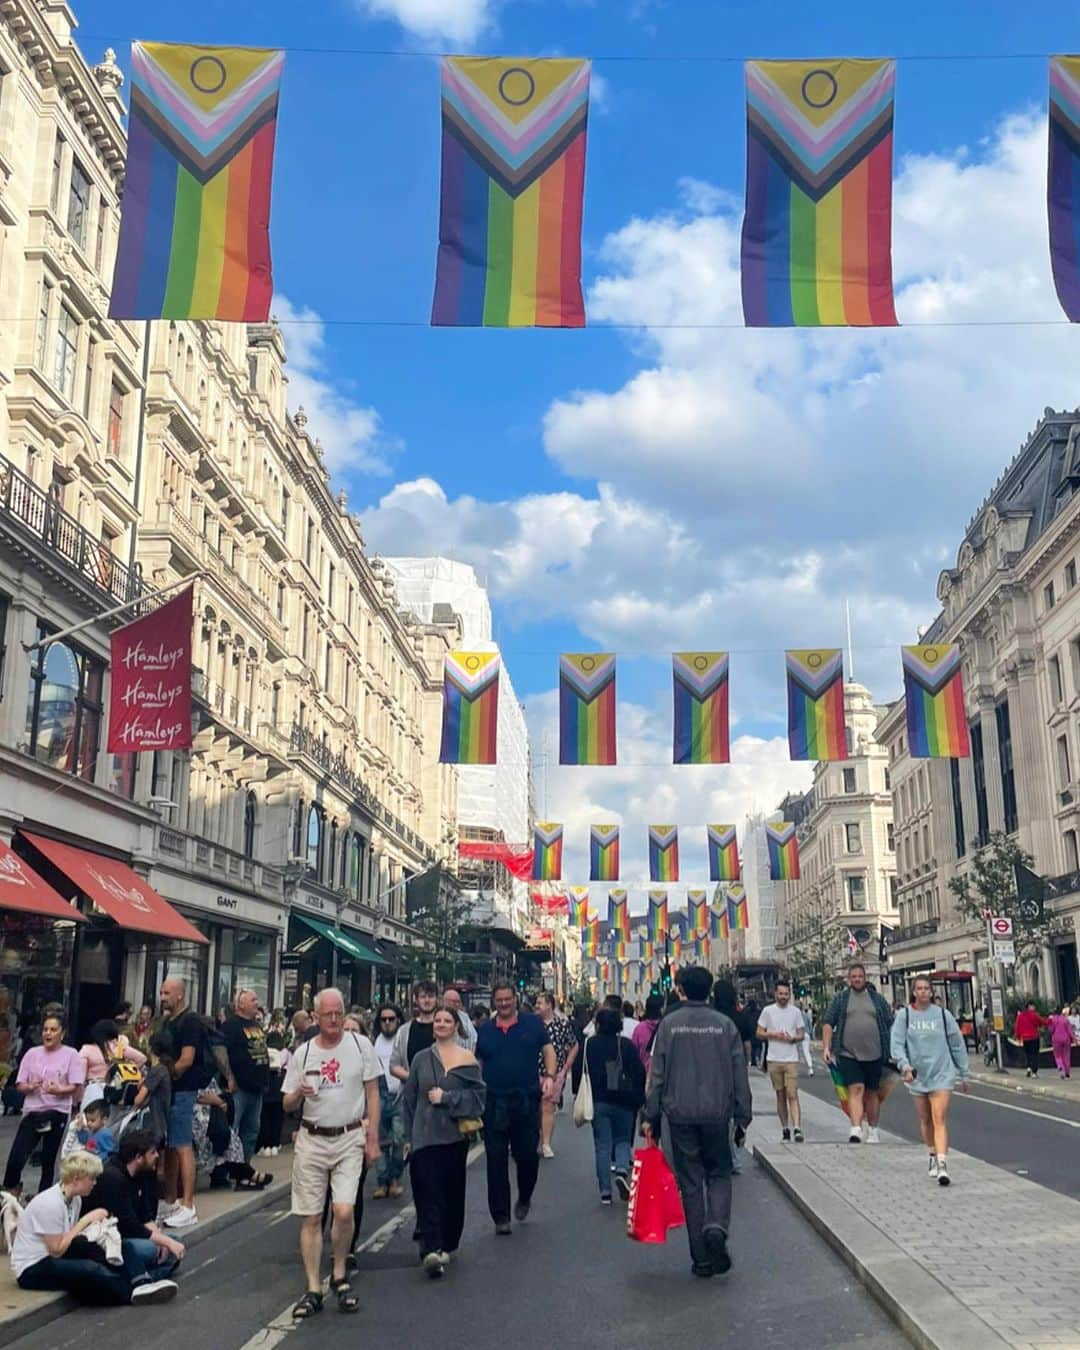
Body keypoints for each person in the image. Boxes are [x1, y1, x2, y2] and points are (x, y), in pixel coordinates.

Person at [643, 968, 751, 1279]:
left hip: (680, 1114)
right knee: (719, 1173)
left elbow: (657, 1075)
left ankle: (701, 1258)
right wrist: (742, 1116)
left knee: (690, 1183)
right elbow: (739, 1073)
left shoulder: (669, 1025)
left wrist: (650, 1114)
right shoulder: (725, 1025)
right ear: (710, 992)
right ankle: (716, 1225)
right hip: (718, 1113)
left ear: (681, 990)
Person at [282, 987, 381, 1320]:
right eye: (328, 1014)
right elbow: (287, 1103)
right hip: (312, 1138)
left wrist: (373, 1139)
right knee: (311, 1217)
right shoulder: (304, 1053)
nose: (335, 1019)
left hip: (349, 1136)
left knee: (342, 1211)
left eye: (339, 1012)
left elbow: (373, 1093)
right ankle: (313, 1287)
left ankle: (339, 1272)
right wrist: (299, 1092)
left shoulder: (359, 1045)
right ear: (316, 1016)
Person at [12, 1149, 178, 1304]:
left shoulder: (75, 1199)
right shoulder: (49, 1204)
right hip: (34, 1266)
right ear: (76, 1179)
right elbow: (56, 1250)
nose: (95, 1183)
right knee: (91, 1270)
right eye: (91, 1179)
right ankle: (132, 1292)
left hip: (58, 1252)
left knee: (115, 1248)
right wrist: (84, 1222)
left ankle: (142, 1281)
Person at [401, 1006, 486, 1277]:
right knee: (426, 1191)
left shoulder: (467, 1060)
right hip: (424, 1136)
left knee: (451, 1193)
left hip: (453, 1136)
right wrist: (407, 1137)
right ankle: (431, 1249)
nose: (440, 1024)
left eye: (446, 1020)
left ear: (456, 1026)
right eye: (437, 1020)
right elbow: (410, 1098)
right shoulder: (421, 1059)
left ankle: (447, 1242)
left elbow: (478, 1100)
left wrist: (447, 1099)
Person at [475, 982, 555, 1234]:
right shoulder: (485, 1030)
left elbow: (548, 1049)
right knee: (496, 1161)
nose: (504, 1004)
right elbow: (476, 1061)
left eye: (508, 999)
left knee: (527, 1157)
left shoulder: (532, 1023)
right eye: (499, 1000)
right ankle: (501, 1217)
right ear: (494, 1002)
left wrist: (550, 1076)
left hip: (525, 1099)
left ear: (515, 999)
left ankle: (524, 1196)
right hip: (494, 1100)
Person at [890, 975, 970, 1185]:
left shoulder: (943, 1015)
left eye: (927, 988)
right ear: (914, 992)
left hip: (941, 1073)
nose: (924, 992)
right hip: (917, 1075)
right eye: (920, 988)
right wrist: (904, 1066)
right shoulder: (904, 1016)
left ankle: (943, 1165)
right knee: (925, 1119)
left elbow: (956, 1044)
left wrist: (964, 1072)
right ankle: (932, 1155)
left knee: (939, 1117)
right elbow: (896, 1045)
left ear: (932, 991)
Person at [2, 1010, 85, 1197]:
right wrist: (30, 1086)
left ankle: (44, 1198)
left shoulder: (71, 1054)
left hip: (57, 1111)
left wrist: (59, 1090)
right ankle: (11, 1191)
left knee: (48, 1160)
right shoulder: (32, 1053)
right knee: (17, 1157)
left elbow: (76, 1085)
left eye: (53, 1030)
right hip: (33, 1110)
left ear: (62, 1033)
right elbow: (19, 1084)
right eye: (45, 1029)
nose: (48, 1033)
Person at [86, 1129, 185, 1282]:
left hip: (131, 1234)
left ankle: (143, 1272)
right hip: (110, 1238)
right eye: (152, 1153)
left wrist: (162, 1240)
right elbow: (129, 1226)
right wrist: (162, 1241)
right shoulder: (113, 1179)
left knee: (174, 1242)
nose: (157, 1156)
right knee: (152, 1249)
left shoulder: (142, 1173)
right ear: (138, 1157)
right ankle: (144, 1276)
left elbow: (145, 1214)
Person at [821, 964, 894, 1144]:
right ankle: (855, 1128)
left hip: (876, 1053)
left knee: (872, 1092)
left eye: (860, 976)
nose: (857, 979)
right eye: (853, 976)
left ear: (865, 977)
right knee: (855, 1088)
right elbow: (828, 1023)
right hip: (848, 1053)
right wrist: (826, 1047)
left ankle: (873, 1129)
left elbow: (890, 1022)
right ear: (849, 979)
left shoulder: (877, 999)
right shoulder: (841, 999)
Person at [157, 977, 208, 1230]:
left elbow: (187, 1058)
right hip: (170, 1091)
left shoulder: (190, 1021)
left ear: (180, 995)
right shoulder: (168, 1021)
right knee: (170, 1147)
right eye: (161, 992)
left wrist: (168, 1076)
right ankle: (170, 1200)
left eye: (167, 992)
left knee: (182, 1144)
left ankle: (188, 1204)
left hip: (183, 1089)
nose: (162, 996)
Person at [585, 1007, 645, 1204]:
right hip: (624, 1100)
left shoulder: (590, 1044)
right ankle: (621, 1169)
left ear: (599, 1024)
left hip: (599, 1099)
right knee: (622, 1140)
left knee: (602, 1144)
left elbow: (581, 1070)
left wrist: (580, 1093)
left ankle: (605, 1192)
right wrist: (639, 1096)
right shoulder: (626, 1045)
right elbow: (639, 1072)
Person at [221, 989, 269, 1163]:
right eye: (253, 1000)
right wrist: (229, 1077)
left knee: (251, 1131)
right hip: (239, 1087)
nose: (257, 1003)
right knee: (233, 1129)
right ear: (240, 1004)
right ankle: (229, 1168)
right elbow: (222, 1053)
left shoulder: (256, 1025)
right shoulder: (230, 1026)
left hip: (257, 1087)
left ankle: (245, 1166)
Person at [756, 978, 806, 1142]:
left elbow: (801, 1033)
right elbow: (759, 1032)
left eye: (786, 994)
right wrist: (773, 1034)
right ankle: (785, 1128)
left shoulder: (795, 1012)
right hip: (774, 1058)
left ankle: (797, 1128)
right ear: (775, 994)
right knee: (780, 1094)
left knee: (792, 1093)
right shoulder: (768, 1011)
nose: (783, 997)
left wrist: (794, 1039)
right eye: (781, 994)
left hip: (791, 1058)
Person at [368, 1004, 406, 1198]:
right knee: (381, 1140)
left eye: (391, 1019)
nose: (388, 1023)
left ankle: (395, 1178)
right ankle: (383, 1181)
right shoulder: (373, 1042)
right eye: (384, 1019)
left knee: (399, 1139)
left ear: (398, 1020)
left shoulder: (403, 1039)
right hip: (380, 1093)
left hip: (400, 1093)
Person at [536, 992, 578, 1159]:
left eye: (540, 1003)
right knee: (532, 1109)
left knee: (548, 1107)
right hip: (531, 1072)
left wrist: (566, 1066)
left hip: (554, 1074)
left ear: (549, 1005)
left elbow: (574, 1045)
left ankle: (546, 1143)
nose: (537, 1006)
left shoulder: (562, 1025)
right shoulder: (532, 1025)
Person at [78, 1018, 146, 1103]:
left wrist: (78, 1098)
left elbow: (80, 1078)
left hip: (93, 1089)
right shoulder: (119, 1047)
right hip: (115, 1087)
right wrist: (127, 1070)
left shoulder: (86, 1050)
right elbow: (142, 1059)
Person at [389, 981, 439, 1082]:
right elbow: (394, 1066)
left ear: (436, 999)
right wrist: (414, 1079)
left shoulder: (444, 1027)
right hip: (411, 1092)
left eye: (431, 996)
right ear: (416, 1000)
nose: (427, 1000)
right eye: (423, 997)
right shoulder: (404, 1031)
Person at [131, 1033, 172, 1151]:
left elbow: (138, 1100)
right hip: (162, 1122)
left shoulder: (156, 1070)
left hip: (152, 1122)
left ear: (150, 1048)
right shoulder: (164, 1068)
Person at [257, 1031, 289, 1156]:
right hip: (280, 1089)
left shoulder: (263, 1052)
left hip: (265, 1089)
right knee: (277, 1118)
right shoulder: (285, 1053)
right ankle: (275, 1144)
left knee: (264, 1118)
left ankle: (264, 1145)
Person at [630, 994, 664, 1075]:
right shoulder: (666, 1027)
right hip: (662, 1075)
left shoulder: (639, 1028)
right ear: (661, 1009)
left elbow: (634, 1054)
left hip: (643, 1074)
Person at [1014, 1001, 1049, 1078]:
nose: (1034, 1007)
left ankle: (1029, 1068)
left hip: (1025, 1039)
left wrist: (1018, 1037)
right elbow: (1043, 1022)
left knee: (1028, 1054)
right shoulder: (1034, 1015)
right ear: (1029, 1006)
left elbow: (1017, 1027)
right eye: (1033, 1006)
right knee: (1035, 1055)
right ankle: (1034, 1071)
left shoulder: (1020, 1016)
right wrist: (1050, 1020)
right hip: (1034, 1037)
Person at [440, 988, 477, 1053]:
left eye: (458, 1001)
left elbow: (474, 1037)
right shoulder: (439, 1016)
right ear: (444, 1001)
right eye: (454, 1001)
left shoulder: (464, 1016)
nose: (457, 1004)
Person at [1048, 1005, 1075, 1079]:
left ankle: (1060, 1067)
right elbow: (1070, 1031)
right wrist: (1074, 1039)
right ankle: (1067, 1072)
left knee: (1058, 1055)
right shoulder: (1065, 1019)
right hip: (1066, 1040)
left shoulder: (1052, 1020)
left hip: (1056, 1040)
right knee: (1066, 1055)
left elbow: (1051, 1030)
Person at [799, 1002, 815, 1075]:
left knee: (794, 1052)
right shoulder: (806, 1015)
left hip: (798, 1035)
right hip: (806, 1034)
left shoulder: (796, 1015)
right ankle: (810, 1068)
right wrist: (811, 1034)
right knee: (806, 1051)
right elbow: (810, 1025)